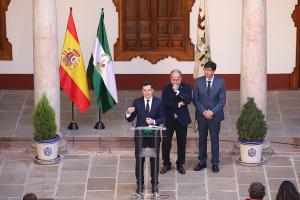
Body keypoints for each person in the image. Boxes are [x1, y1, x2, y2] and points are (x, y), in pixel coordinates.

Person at [125, 81, 164, 194]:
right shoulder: (137, 102)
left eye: (148, 90)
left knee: (154, 160)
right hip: (140, 136)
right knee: (139, 160)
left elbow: (163, 118)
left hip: (153, 136)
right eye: (144, 90)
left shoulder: (159, 102)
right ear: (142, 91)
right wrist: (128, 112)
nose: (146, 92)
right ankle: (140, 185)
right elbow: (129, 119)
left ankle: (154, 184)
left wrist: (154, 121)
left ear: (152, 90)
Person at [193, 60, 226, 173]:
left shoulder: (221, 82)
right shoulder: (198, 81)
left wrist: (211, 112)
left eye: (209, 70)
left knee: (214, 139)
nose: (207, 72)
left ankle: (215, 163)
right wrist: (203, 111)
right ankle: (202, 161)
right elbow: (195, 99)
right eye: (205, 70)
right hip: (201, 116)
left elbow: (222, 101)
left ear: (214, 71)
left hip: (215, 116)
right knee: (202, 139)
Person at [160, 69, 192, 175]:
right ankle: (166, 164)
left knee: (181, 142)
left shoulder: (186, 87)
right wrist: (179, 104)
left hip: (182, 120)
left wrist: (177, 92)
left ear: (181, 79)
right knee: (165, 143)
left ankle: (180, 164)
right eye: (173, 79)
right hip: (169, 120)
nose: (175, 82)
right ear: (170, 79)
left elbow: (188, 100)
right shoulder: (166, 88)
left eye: (177, 80)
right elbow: (165, 103)